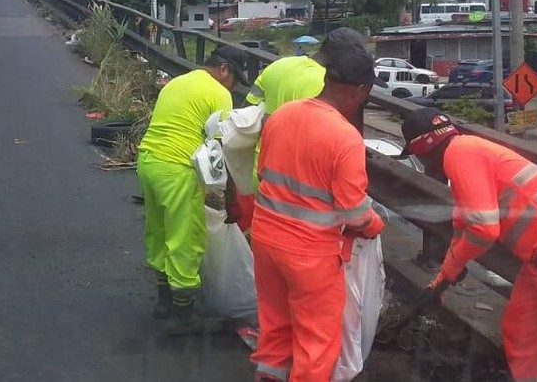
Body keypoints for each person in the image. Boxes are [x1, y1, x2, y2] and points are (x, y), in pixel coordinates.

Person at [400, 108, 537, 382]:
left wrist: (453, 267)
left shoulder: (459, 154)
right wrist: (443, 279)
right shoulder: (465, 152)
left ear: (423, 149)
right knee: (522, 330)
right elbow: (464, 226)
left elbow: (483, 228)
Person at [250, 43, 386, 382]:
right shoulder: (345, 138)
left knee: (275, 325)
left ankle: (269, 377)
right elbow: (354, 213)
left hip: (266, 240)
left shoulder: (283, 115)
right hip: (310, 255)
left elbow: (263, 172)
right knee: (317, 340)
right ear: (360, 90)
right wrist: (373, 224)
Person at [136, 45, 249, 335]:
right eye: (235, 79)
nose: (233, 87)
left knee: (159, 231)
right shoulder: (219, 92)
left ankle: (163, 302)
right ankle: (183, 313)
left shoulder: (177, 82)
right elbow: (223, 146)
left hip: (148, 162)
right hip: (177, 169)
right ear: (224, 70)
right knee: (185, 237)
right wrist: (230, 197)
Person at [227, 29, 367, 234]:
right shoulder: (330, 86)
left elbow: (247, 112)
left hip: (264, 172)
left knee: (265, 234)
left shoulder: (277, 66)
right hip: (302, 189)